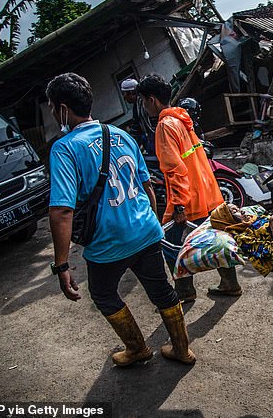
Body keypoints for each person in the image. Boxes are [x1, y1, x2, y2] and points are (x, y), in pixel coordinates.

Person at [47, 73, 195, 367]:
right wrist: (150, 224)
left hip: (108, 242)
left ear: (63, 109)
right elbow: (148, 186)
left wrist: (62, 264)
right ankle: (182, 349)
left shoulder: (64, 148)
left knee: (103, 294)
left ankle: (138, 349)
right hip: (145, 230)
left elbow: (62, 210)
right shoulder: (120, 134)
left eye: (52, 107)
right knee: (162, 291)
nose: (53, 113)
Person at [137, 73, 241, 301]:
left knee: (169, 244)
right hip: (207, 191)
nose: (144, 107)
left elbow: (175, 170)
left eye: (144, 101)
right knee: (215, 236)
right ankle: (230, 282)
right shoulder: (182, 119)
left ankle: (184, 290)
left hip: (188, 197)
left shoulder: (165, 126)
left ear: (152, 99)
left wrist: (179, 207)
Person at [210, 203, 273, 276]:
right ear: (228, 221)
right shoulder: (244, 239)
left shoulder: (253, 219)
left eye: (238, 208)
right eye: (235, 211)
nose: (242, 211)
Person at [120, 78, 155, 155]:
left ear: (131, 93)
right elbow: (136, 128)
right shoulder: (137, 106)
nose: (124, 98)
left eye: (125, 94)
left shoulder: (144, 103)